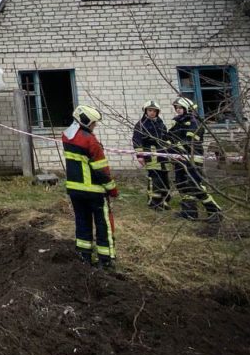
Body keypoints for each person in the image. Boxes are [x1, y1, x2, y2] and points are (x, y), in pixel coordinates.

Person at [61, 105, 118, 269]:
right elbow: (101, 170)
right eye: (94, 123)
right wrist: (112, 188)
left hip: (75, 190)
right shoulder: (90, 141)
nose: (95, 126)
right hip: (95, 191)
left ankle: (84, 256)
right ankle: (105, 260)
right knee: (103, 225)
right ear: (86, 121)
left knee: (82, 222)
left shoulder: (66, 136)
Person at [168, 97, 222, 222]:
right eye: (176, 108)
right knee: (183, 185)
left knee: (195, 186)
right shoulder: (177, 122)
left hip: (192, 159)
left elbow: (190, 143)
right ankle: (189, 212)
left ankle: (215, 212)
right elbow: (169, 136)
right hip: (179, 158)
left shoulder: (194, 122)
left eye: (180, 108)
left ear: (187, 109)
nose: (178, 110)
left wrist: (173, 148)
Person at [132, 100, 171, 210]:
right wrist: (140, 156)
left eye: (154, 111)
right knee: (155, 179)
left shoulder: (160, 123)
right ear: (145, 111)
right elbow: (137, 141)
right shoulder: (141, 124)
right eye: (149, 110)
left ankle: (165, 201)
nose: (152, 113)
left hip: (163, 156)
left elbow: (166, 138)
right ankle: (154, 203)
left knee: (165, 179)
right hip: (151, 155)